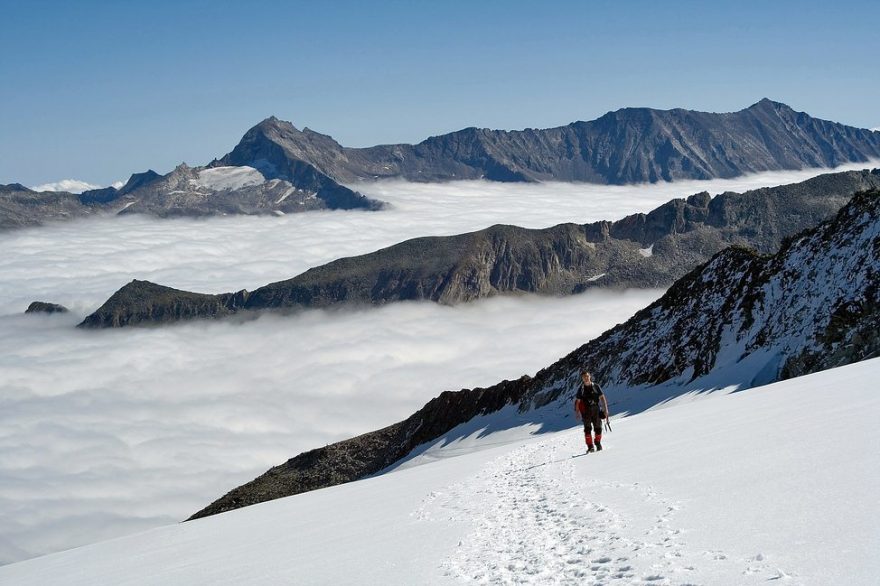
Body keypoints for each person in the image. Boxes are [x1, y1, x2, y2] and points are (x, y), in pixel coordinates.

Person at [574, 370, 609, 453]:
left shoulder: (596, 386)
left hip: (596, 409)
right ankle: (590, 446)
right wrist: (577, 412)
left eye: (587, 376)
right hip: (586, 411)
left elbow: (602, 398)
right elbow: (578, 401)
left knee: (598, 428)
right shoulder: (581, 389)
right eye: (584, 377)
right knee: (587, 429)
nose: (586, 378)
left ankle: (597, 443)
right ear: (582, 378)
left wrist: (605, 409)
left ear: (590, 376)